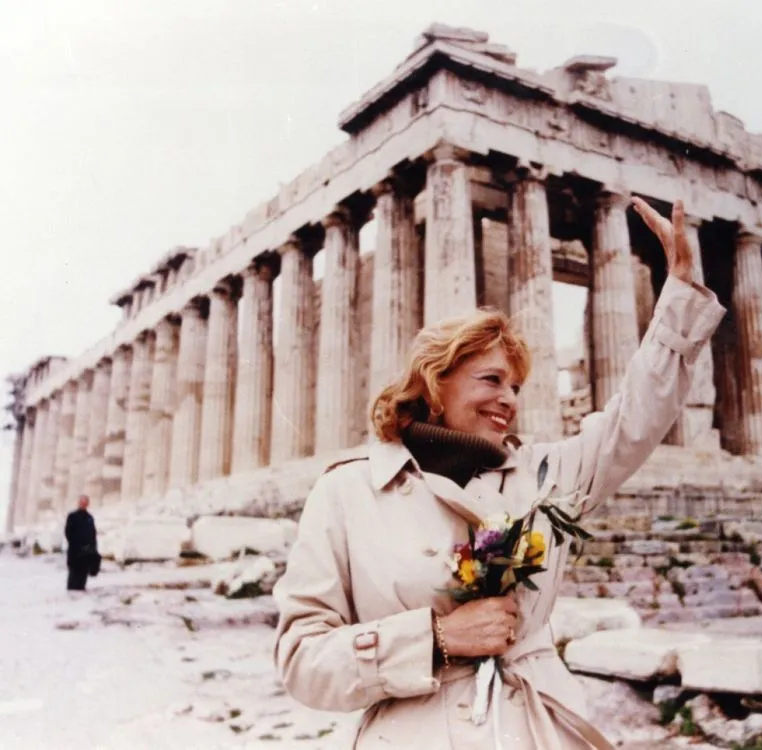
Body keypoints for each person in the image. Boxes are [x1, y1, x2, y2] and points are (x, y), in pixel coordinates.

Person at [272, 197, 725, 749]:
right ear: (436, 385)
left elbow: (636, 417)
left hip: (537, 731)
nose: (508, 400)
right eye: (490, 381)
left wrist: (678, 294)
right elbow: (301, 661)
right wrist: (435, 637)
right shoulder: (347, 491)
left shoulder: (544, 475)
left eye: (515, 387)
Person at [64, 495, 99, 591]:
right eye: (82, 503)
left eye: (85, 503)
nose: (83, 505)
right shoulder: (72, 516)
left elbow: (93, 535)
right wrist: (76, 545)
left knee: (82, 579)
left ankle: (80, 597)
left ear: (87, 504)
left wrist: (93, 549)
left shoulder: (89, 518)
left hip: (86, 553)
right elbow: (68, 533)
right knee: (73, 579)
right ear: (79, 503)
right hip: (75, 552)